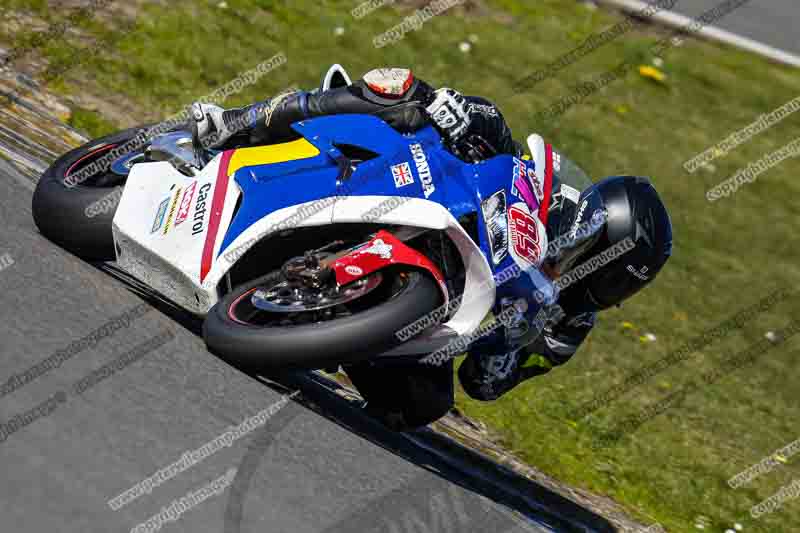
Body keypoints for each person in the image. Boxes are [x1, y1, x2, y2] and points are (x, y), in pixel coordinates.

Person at [193, 67, 674, 430]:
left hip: (425, 313)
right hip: (416, 188)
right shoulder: (553, 200)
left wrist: (511, 343)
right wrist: (461, 115)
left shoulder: (568, 328)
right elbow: (490, 127)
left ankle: (326, 322)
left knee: (422, 406)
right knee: (398, 88)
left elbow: (483, 384)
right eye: (609, 268)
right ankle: (238, 121)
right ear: (595, 227)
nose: (602, 288)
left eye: (618, 286)